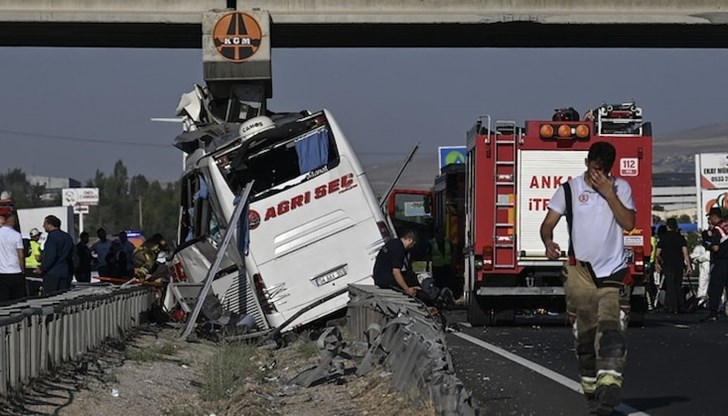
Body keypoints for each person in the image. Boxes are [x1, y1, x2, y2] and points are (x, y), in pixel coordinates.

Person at [540, 141, 634, 415]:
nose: (597, 175)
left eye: (603, 171)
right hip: (580, 273)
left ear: (610, 169)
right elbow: (548, 224)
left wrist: (609, 194)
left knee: (611, 331)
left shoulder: (620, 188)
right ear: (587, 164)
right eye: (594, 169)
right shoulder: (568, 190)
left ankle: (609, 390)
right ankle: (592, 391)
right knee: (586, 338)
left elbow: (628, 223)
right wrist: (549, 242)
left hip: (613, 273)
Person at [655, 218, 691, 314]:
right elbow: (685, 254)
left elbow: (657, 254)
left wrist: (658, 263)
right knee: (678, 285)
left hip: (667, 264)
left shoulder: (663, 238)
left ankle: (672, 307)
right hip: (679, 264)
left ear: (667, 227)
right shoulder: (681, 238)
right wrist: (689, 266)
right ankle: (679, 305)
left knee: (670, 286)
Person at [372, 229, 420, 297]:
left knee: (408, 275)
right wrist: (407, 289)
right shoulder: (399, 249)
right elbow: (396, 272)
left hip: (378, 277)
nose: (412, 247)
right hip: (386, 281)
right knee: (411, 277)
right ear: (410, 241)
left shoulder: (393, 242)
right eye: (413, 245)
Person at [35, 215, 74, 295]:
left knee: (51, 298)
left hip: (52, 273)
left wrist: (42, 269)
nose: (43, 226)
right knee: (63, 297)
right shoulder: (67, 237)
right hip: (65, 272)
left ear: (50, 225)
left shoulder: (52, 237)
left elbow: (51, 256)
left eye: (44, 224)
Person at [702, 207, 728, 322]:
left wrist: (708, 244)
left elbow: (716, 247)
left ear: (714, 217)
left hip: (722, 261)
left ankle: (713, 313)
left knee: (715, 288)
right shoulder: (726, 225)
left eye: (710, 217)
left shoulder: (718, 229)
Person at [0, 214, 27, 302]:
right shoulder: (16, 235)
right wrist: (23, 269)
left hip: (2, 272)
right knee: (17, 300)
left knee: (3, 300)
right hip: (15, 271)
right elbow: (21, 254)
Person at [691, 230, 713, 307]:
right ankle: (701, 302)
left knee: (713, 286)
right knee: (702, 286)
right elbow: (693, 258)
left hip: (712, 267)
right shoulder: (699, 248)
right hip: (703, 269)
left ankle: (712, 304)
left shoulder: (712, 247)